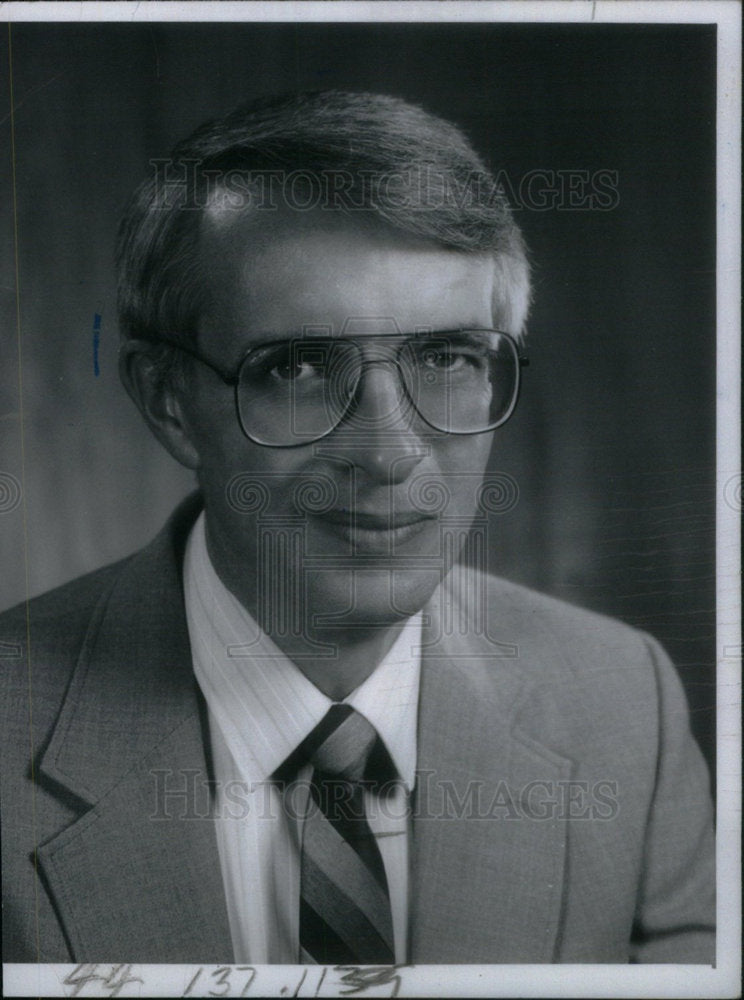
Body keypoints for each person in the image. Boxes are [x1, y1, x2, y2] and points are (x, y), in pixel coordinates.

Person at [1, 91, 714, 965]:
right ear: (168, 401)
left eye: (447, 358)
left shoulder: (622, 706)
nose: (389, 454)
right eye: (300, 366)